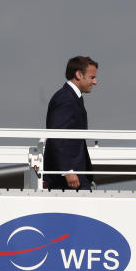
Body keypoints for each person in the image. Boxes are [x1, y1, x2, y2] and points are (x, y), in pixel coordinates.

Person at [44, 56, 98, 190]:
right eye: (92, 77)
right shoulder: (66, 99)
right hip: (68, 179)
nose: (95, 82)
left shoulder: (72, 97)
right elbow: (57, 136)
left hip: (75, 175)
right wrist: (67, 170)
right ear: (79, 74)